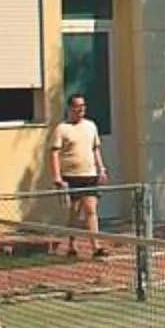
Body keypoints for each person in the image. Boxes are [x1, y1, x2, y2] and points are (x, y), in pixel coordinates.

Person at [49, 94, 107, 257]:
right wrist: (57, 177)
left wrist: (101, 169)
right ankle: (72, 245)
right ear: (70, 108)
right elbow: (54, 153)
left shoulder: (91, 126)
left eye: (83, 105)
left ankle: (96, 246)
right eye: (77, 106)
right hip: (71, 176)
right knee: (74, 212)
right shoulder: (62, 129)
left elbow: (95, 149)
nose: (81, 109)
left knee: (91, 210)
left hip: (89, 175)